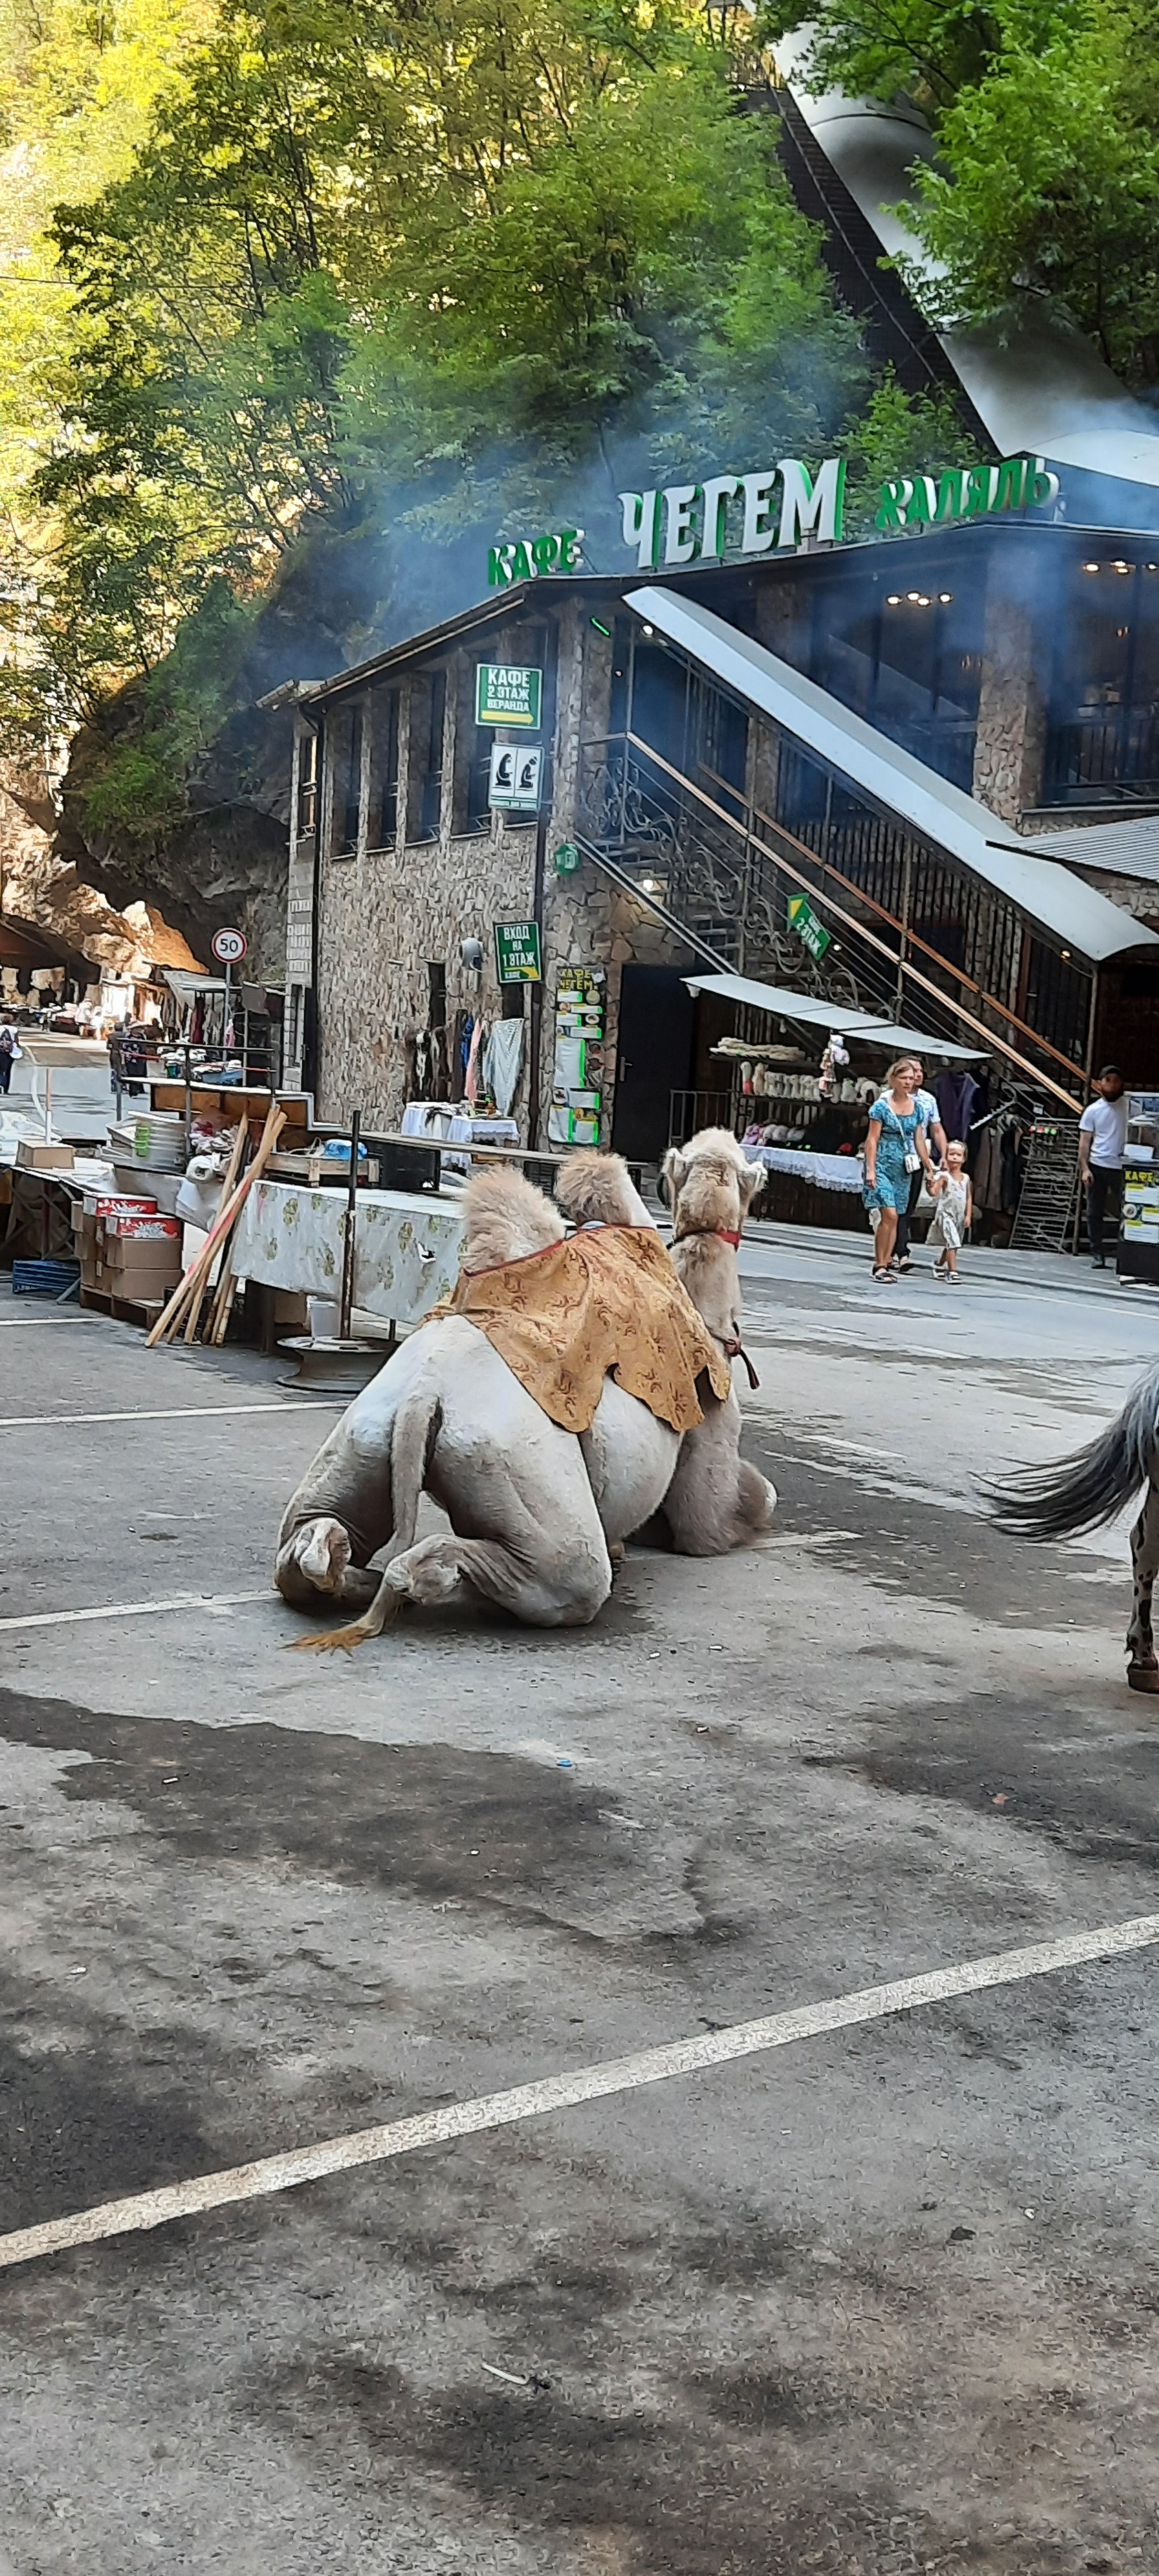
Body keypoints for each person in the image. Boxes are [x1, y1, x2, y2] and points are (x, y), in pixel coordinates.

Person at [863, 1058, 937, 1280]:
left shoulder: (918, 1108)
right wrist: (870, 1169)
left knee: (895, 1217)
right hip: (883, 1163)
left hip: (904, 1167)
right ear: (893, 1079)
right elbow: (872, 1140)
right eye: (903, 1078)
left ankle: (886, 1262)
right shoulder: (882, 1107)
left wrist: (928, 1166)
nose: (908, 1082)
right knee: (890, 1214)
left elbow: (919, 1140)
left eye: (911, 1078)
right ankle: (879, 1264)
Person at [890, 1056, 948, 1272]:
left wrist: (942, 1153)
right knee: (893, 1206)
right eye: (913, 1071)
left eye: (920, 1071)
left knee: (907, 1206)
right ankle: (900, 1252)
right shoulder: (888, 1098)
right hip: (893, 1156)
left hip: (915, 1158)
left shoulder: (927, 1100)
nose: (918, 1075)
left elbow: (936, 1129)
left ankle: (897, 1252)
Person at [1079, 1065, 1127, 1269]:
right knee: (1094, 1211)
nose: (1112, 1084)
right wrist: (1085, 1169)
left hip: (1123, 1166)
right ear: (1100, 1084)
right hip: (1098, 1165)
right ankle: (1097, 1252)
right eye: (1108, 1080)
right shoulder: (1093, 1110)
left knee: (1127, 1210)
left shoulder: (1129, 1106)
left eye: (1116, 1080)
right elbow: (1084, 1142)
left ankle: (1126, 1251)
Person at [928, 1141, 972, 1283]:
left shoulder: (966, 1179)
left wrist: (968, 1215)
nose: (954, 1157)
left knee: (953, 1243)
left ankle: (939, 1265)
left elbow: (968, 1197)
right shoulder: (944, 1177)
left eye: (958, 1155)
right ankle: (952, 1272)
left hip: (959, 1216)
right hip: (946, 1214)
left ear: (963, 1159)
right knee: (953, 1241)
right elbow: (934, 1192)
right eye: (951, 1154)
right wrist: (929, 1184)